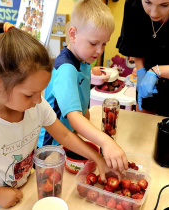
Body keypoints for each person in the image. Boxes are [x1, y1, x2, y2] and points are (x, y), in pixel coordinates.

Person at [0, 22, 119, 210]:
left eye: (41, 92)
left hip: (25, 195)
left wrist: (98, 158)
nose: (38, 100)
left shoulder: (36, 105)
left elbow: (65, 136)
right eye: (29, 94)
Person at [38, 0, 128, 171]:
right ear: (73, 34)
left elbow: (82, 107)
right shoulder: (66, 69)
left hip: (71, 138)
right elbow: (75, 116)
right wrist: (105, 141)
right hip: (52, 147)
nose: (99, 51)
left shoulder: (83, 61)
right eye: (93, 43)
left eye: (104, 44)